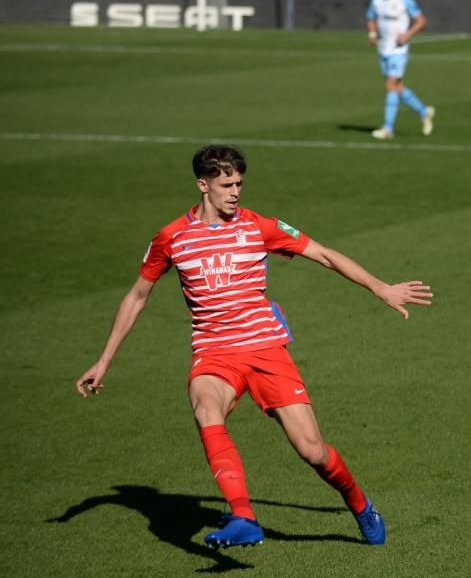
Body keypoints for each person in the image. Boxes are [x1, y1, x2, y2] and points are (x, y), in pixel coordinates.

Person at [75, 145, 433, 549]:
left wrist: (380, 287)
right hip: (214, 353)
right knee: (205, 407)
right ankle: (243, 517)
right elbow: (137, 295)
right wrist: (104, 360)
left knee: (313, 451)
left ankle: (359, 503)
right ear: (202, 185)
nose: (235, 192)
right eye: (226, 184)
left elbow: (324, 255)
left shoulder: (258, 227)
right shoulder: (171, 238)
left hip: (265, 350)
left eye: (239, 183)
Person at [366, 0, 435, 140]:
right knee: (398, 88)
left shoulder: (404, 0)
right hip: (383, 49)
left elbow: (421, 21)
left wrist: (407, 35)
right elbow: (370, 18)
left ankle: (388, 128)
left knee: (390, 86)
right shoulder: (376, 1)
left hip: (399, 50)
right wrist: (372, 34)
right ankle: (424, 112)